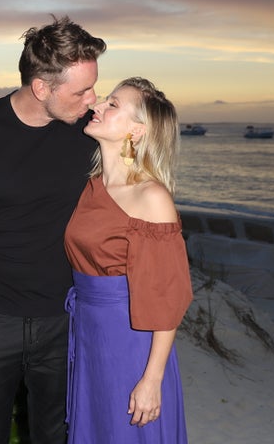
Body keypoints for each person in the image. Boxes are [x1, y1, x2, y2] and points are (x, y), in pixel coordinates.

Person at [0, 16, 106, 444]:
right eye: (81, 90)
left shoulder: (91, 133)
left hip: (64, 318)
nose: (93, 99)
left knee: (54, 436)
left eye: (94, 86)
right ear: (42, 87)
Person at [64, 77, 193, 443]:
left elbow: (168, 297)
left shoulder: (151, 197)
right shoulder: (90, 186)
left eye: (113, 104)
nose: (98, 106)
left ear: (136, 131)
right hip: (89, 334)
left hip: (131, 340)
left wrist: (152, 379)